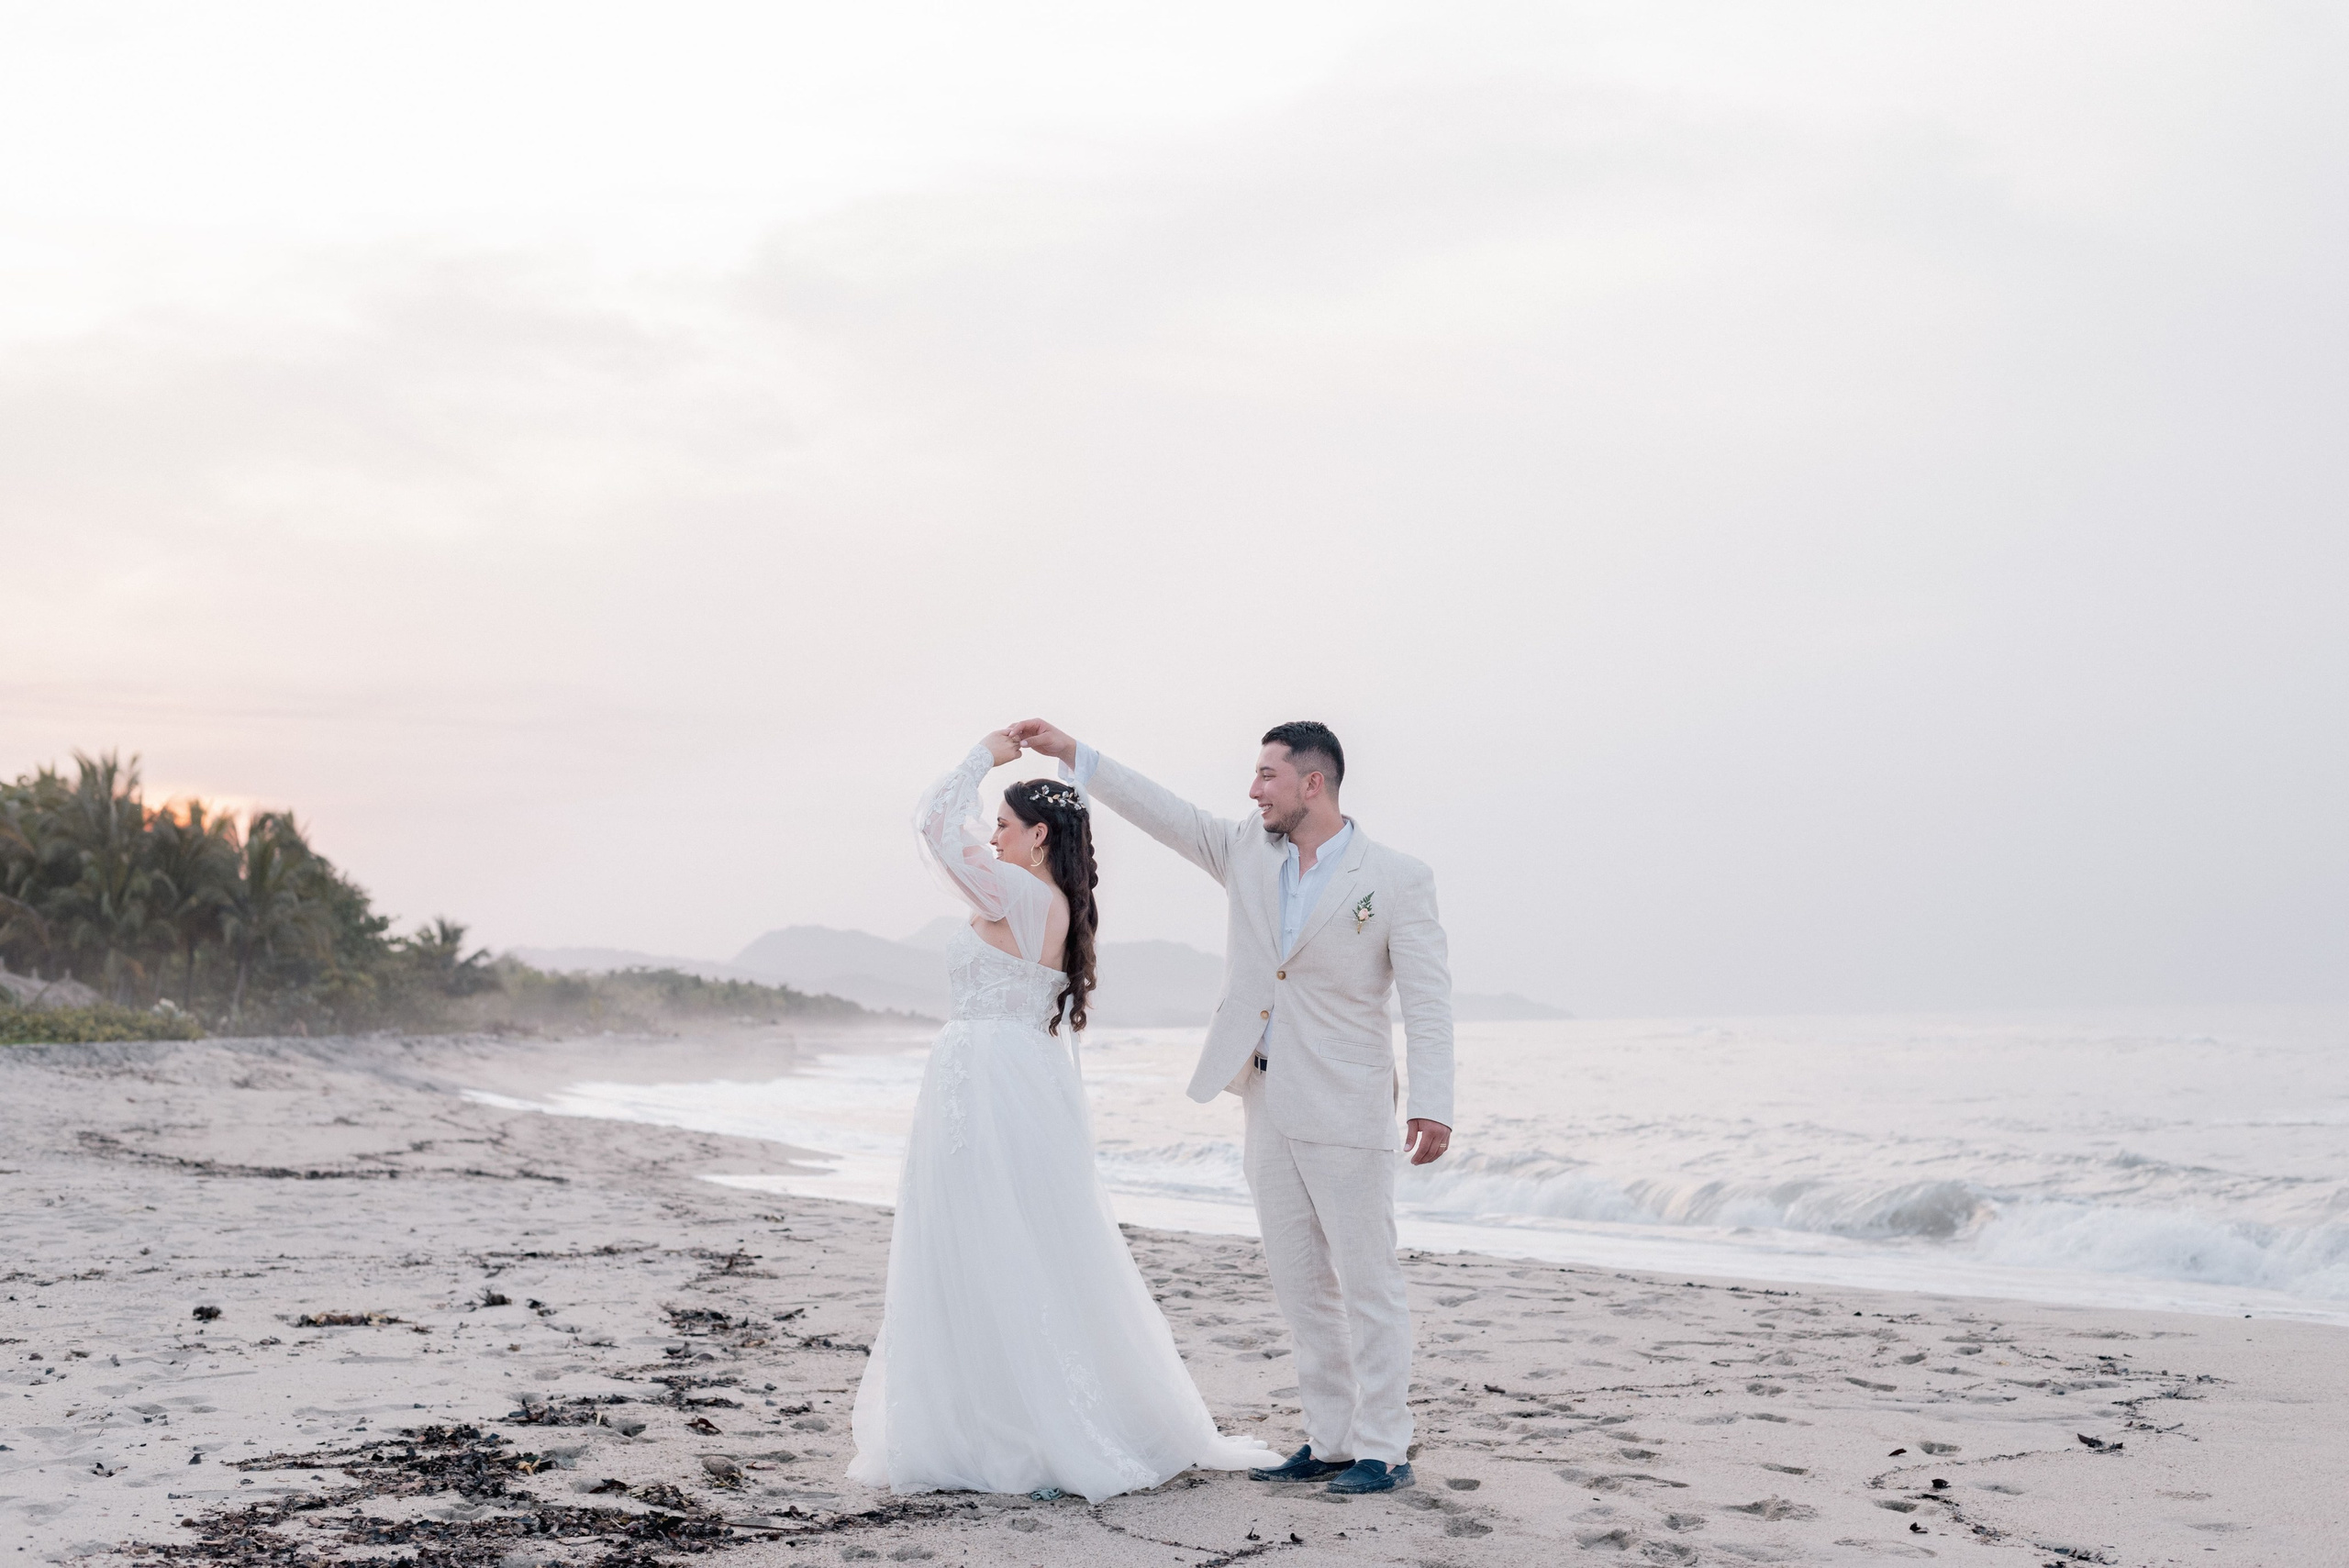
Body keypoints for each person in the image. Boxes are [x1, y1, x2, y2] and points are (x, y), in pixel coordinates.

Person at [1008, 717, 1454, 1496]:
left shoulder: (1397, 877)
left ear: (1312, 782)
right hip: (1265, 1096)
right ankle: (1331, 1438)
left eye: (1266, 776)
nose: (1253, 790)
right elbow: (1164, 811)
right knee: (1299, 1283)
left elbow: (1428, 1000)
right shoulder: (1247, 850)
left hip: (1349, 1102)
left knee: (1368, 1280)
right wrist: (1073, 754)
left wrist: (1434, 1101)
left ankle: (1386, 1445)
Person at [846, 728, 1273, 1504]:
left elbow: (937, 823)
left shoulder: (1017, 890)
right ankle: (1022, 1408)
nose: (992, 836)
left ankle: (1007, 1423)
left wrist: (984, 755)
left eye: (1004, 826)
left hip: (984, 1081)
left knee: (976, 1240)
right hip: (1018, 1078)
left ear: (1038, 836)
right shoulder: (1061, 903)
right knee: (1023, 1241)